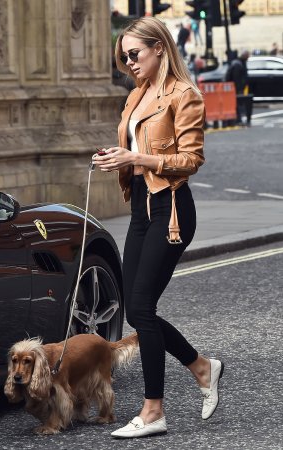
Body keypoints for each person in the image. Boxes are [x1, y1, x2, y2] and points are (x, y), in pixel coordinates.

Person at [93, 16, 224, 439]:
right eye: (123, 56)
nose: (128, 62)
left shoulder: (183, 94)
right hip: (140, 211)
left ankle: (153, 412)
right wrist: (117, 155)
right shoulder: (136, 95)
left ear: (160, 49)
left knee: (143, 309)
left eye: (135, 54)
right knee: (137, 309)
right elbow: (137, 148)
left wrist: (136, 160)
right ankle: (201, 367)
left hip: (171, 212)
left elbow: (190, 160)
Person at [225, 50, 251, 125]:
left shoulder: (240, 63)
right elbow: (236, 79)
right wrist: (239, 89)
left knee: (237, 104)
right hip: (235, 88)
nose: (248, 58)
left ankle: (237, 119)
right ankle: (237, 120)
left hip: (237, 88)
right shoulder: (238, 64)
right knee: (237, 104)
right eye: (247, 56)